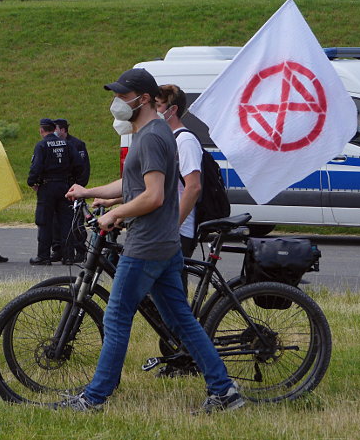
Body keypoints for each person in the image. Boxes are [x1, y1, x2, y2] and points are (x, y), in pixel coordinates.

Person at [62, 68, 244, 413]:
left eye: (121, 96)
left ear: (142, 99)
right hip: (163, 244)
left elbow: (154, 196)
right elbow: (132, 183)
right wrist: (91, 192)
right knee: (181, 322)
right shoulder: (156, 131)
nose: (116, 102)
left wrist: (115, 215)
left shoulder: (150, 136)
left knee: (116, 318)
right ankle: (225, 391)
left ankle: (94, 398)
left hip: (146, 246)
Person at [27, 118, 83, 265]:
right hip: (65, 186)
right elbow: (79, 164)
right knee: (66, 221)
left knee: (45, 221)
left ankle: (43, 256)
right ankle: (68, 256)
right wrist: (72, 181)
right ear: (54, 129)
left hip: (47, 187)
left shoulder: (41, 146)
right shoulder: (67, 144)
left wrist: (32, 182)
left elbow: (36, 167)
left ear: (41, 130)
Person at [156, 84, 203, 259]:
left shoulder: (185, 141)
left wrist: (173, 226)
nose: (154, 111)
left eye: (159, 106)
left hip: (179, 232)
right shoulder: (166, 139)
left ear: (172, 109)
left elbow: (193, 187)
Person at [50, 118, 90, 262]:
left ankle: (80, 250)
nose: (53, 132)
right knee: (56, 221)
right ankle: (58, 249)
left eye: (55, 128)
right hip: (59, 187)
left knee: (76, 221)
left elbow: (83, 169)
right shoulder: (52, 144)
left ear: (63, 129)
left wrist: (79, 186)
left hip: (74, 188)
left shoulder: (77, 144)